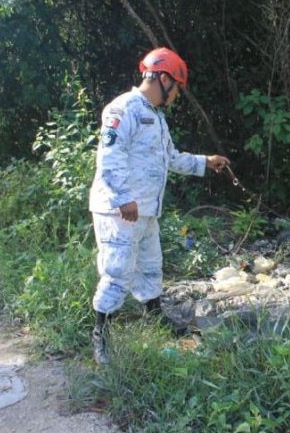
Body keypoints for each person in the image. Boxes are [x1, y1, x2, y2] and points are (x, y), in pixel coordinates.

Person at [88, 47, 230, 365]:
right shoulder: (122, 108)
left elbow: (172, 158)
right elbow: (109, 157)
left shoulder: (157, 118)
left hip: (145, 211)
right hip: (118, 210)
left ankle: (155, 317)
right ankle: (100, 335)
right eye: (177, 87)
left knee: (151, 265)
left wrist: (206, 162)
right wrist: (123, 198)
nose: (177, 94)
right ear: (164, 79)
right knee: (117, 271)